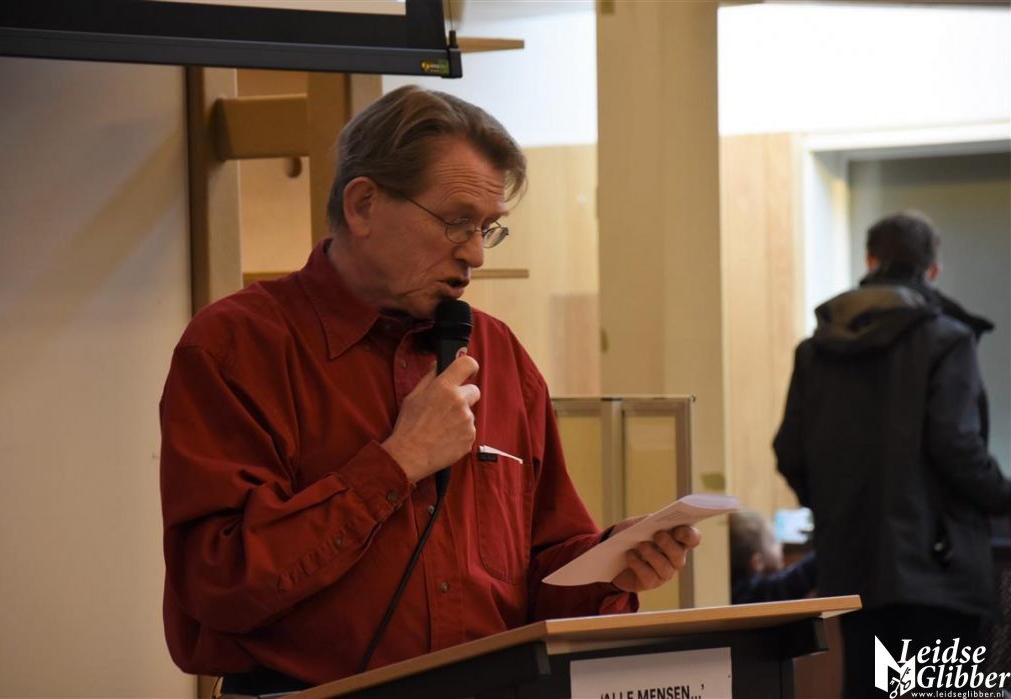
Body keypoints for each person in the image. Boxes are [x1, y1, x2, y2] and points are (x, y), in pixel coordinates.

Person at [159, 85, 701, 693]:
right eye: (456, 222)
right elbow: (219, 585)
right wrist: (396, 464)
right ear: (363, 205)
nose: (476, 254)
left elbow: (537, 578)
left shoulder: (500, 354)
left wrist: (610, 566)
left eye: (488, 228)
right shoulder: (237, 347)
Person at [773, 211, 1011, 697]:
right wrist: (1003, 498)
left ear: (870, 261)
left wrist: (836, 510)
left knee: (870, 688)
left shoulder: (815, 350)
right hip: (938, 573)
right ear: (933, 270)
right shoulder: (947, 340)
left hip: (852, 570)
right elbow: (956, 447)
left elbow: (790, 452)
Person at [728, 510, 816, 604]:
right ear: (757, 562)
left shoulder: (733, 588)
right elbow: (789, 583)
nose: (781, 545)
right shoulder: (752, 593)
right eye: (773, 541)